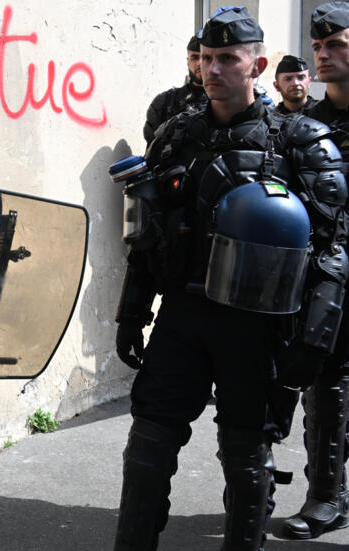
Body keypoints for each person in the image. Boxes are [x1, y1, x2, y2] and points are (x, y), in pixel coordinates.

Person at [113, 7, 347, 551]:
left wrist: (313, 343)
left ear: (257, 64)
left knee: (245, 458)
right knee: (147, 444)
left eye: (228, 59)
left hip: (256, 324)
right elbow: (146, 237)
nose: (213, 69)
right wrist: (131, 313)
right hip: (182, 317)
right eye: (208, 58)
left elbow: (333, 252)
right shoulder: (174, 136)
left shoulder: (300, 142)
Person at [279, 2, 349, 540]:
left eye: (335, 46)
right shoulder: (308, 125)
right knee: (326, 381)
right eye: (318, 47)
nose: (322, 56)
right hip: (330, 270)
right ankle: (328, 496)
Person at [143, 31, 208, 146]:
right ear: (188, 62)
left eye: (205, 57)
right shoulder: (164, 102)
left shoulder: (226, 101)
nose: (199, 63)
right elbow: (152, 149)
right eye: (194, 57)